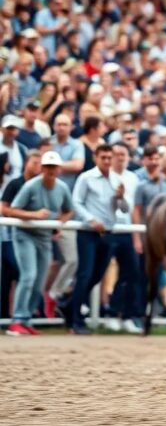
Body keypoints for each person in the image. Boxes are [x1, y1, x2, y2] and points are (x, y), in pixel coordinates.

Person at [5, 151, 74, 335]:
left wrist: (59, 223)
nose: (50, 170)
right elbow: (12, 210)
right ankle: (17, 320)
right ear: (42, 168)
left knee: (39, 281)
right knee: (29, 275)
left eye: (54, 167)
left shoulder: (62, 188)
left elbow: (69, 210)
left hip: (44, 237)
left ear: (59, 169)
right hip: (24, 234)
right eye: (47, 167)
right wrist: (34, 215)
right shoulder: (30, 186)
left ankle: (26, 319)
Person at [64, 144, 127, 334]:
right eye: (103, 157)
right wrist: (91, 220)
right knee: (85, 274)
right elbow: (76, 202)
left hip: (108, 233)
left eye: (109, 157)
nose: (106, 161)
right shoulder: (86, 177)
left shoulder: (117, 179)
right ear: (95, 158)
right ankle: (76, 321)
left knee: (96, 276)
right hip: (88, 232)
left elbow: (124, 209)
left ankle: (69, 307)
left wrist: (121, 197)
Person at [132, 144, 166, 321]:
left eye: (157, 158)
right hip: (146, 238)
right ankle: (140, 313)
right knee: (142, 277)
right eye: (151, 158)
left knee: (161, 277)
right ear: (144, 160)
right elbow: (136, 211)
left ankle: (159, 312)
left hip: (164, 241)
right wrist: (137, 238)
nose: (155, 161)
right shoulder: (141, 185)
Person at [47, 113, 85, 308]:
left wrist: (53, 165)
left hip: (66, 212)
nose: (61, 127)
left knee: (71, 260)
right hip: (44, 209)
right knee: (49, 262)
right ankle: (44, 301)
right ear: (53, 125)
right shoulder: (48, 142)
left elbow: (78, 165)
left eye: (65, 124)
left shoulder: (76, 145)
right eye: (58, 124)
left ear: (70, 127)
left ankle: (53, 295)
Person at [0, 150, 41, 321]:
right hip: (11, 237)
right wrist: (30, 215)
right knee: (19, 274)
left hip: (35, 237)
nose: (37, 166)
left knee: (17, 274)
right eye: (34, 162)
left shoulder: (41, 185)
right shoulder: (15, 184)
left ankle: (20, 314)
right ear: (26, 163)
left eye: (39, 163)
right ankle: (17, 314)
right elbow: (4, 209)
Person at [107, 142, 142, 333]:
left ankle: (125, 315)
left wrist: (136, 236)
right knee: (98, 272)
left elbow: (134, 209)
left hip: (127, 229)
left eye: (123, 154)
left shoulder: (133, 178)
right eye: (117, 154)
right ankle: (110, 314)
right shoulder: (105, 175)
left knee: (132, 273)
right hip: (109, 230)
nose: (120, 158)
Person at [0, 114, 28, 195]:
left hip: (16, 191)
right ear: (2, 129)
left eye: (14, 129)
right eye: (9, 128)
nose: (11, 132)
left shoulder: (22, 149)